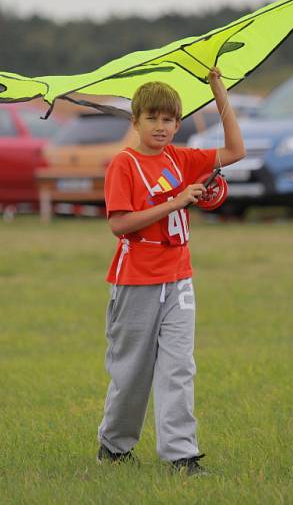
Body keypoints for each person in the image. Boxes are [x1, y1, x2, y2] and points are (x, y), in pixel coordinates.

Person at [96, 69, 245, 475]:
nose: (160, 127)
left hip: (178, 278)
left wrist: (219, 90)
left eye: (168, 120)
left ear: (178, 124)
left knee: (179, 366)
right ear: (136, 122)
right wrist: (174, 202)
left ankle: (181, 455)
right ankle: (114, 446)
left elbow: (235, 150)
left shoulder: (180, 157)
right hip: (135, 280)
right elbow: (120, 224)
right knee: (132, 373)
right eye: (152, 119)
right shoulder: (123, 165)